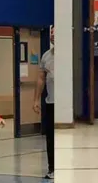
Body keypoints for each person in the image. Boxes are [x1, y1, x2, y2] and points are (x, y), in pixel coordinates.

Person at [33, 26, 55, 179]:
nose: (53, 36)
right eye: (51, 33)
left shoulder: (68, 54)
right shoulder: (46, 55)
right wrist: (36, 99)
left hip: (64, 104)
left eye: (56, 33)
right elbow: (41, 78)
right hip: (50, 102)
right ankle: (52, 168)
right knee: (50, 137)